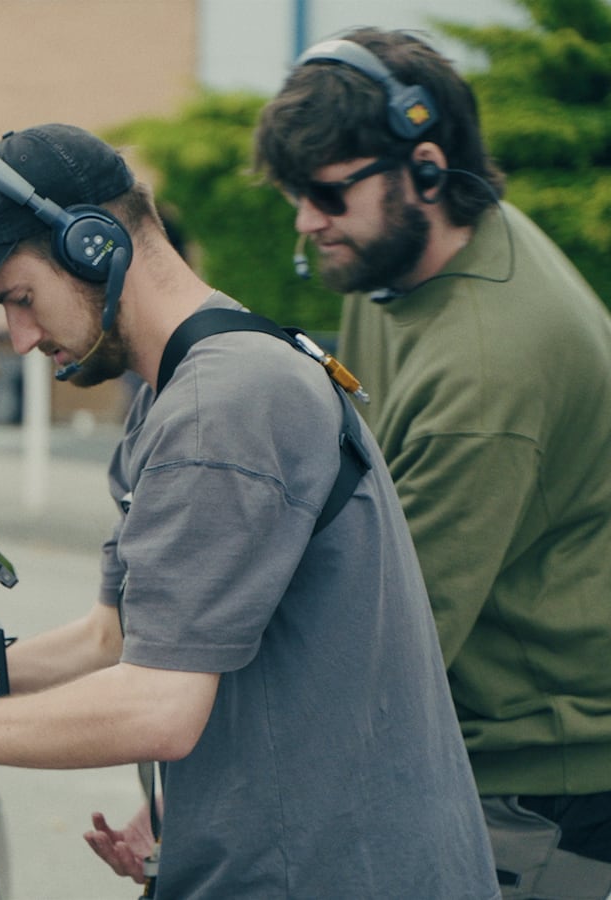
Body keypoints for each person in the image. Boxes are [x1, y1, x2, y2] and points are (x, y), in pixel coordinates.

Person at [0, 123, 498, 898]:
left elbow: (159, 705)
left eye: (20, 299)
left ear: (92, 245)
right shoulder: (193, 385)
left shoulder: (218, 410)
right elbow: (115, 637)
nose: (19, 336)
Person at [254, 27, 611, 897]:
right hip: (476, 732)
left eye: (330, 195)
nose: (307, 221)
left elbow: (374, 649)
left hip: (539, 780)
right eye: (299, 195)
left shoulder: (487, 375)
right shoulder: (410, 262)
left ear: (424, 167)